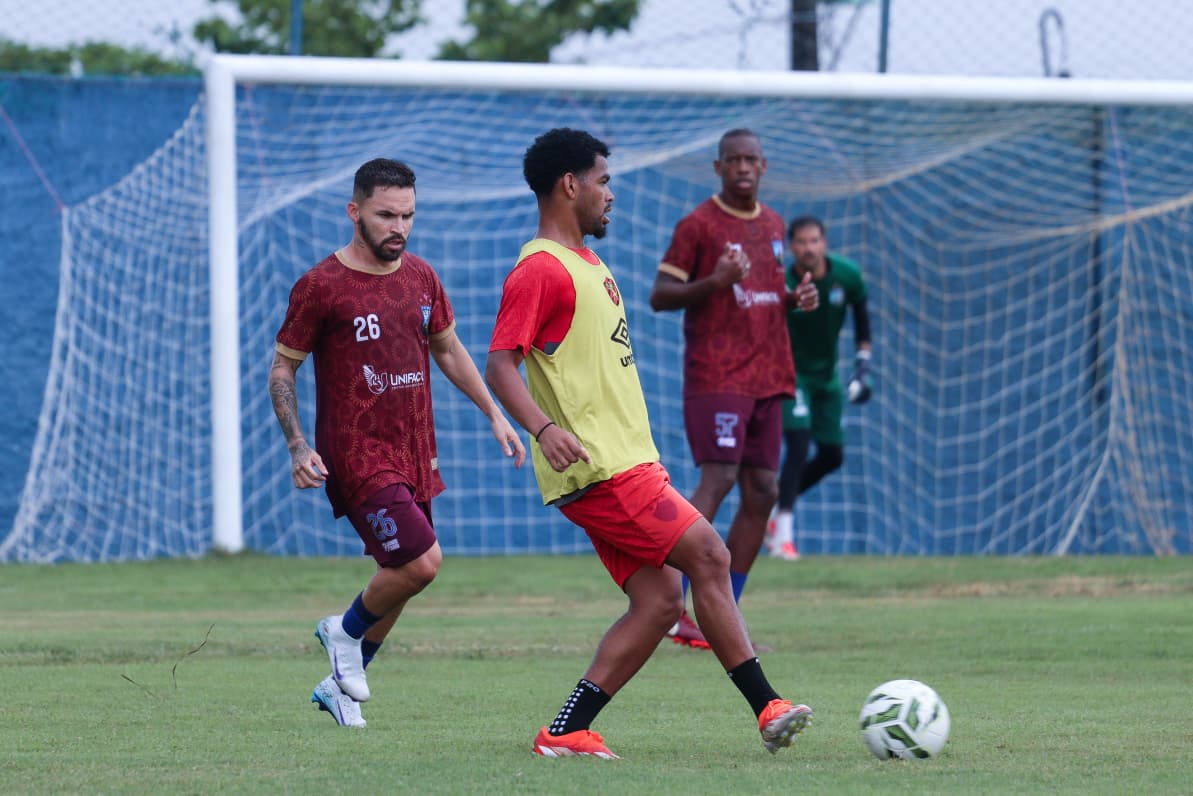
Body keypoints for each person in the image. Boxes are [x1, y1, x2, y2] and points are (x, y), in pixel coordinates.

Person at [485, 127, 813, 759]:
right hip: (604, 469)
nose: (612, 195)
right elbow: (502, 363)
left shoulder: (587, 263)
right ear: (570, 185)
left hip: (623, 462)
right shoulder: (540, 270)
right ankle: (768, 706)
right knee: (711, 557)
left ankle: (566, 732)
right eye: (604, 181)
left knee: (660, 600)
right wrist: (546, 429)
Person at [269, 158, 525, 728]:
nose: (399, 227)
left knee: (401, 577)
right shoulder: (320, 286)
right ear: (354, 211)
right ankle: (342, 631)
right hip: (356, 455)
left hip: (414, 448)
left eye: (408, 215)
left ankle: (340, 683)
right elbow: (282, 369)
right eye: (386, 214)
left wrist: (495, 414)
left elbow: (450, 351)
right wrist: (295, 445)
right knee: (422, 562)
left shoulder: (422, 277)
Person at [648, 129, 818, 648]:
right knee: (718, 477)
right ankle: (670, 604)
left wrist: (793, 298)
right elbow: (660, 295)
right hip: (718, 377)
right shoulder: (698, 225)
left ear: (764, 166)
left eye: (752, 159)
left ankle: (721, 614)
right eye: (734, 160)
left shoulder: (772, 223)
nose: (743, 167)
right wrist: (715, 281)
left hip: (769, 376)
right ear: (718, 167)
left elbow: (760, 293)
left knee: (764, 491)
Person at [765, 215, 872, 560]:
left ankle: (773, 508)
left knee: (832, 455)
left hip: (827, 377)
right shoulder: (782, 280)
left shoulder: (847, 276)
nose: (808, 248)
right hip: (790, 374)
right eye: (801, 242)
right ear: (791, 246)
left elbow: (862, 321)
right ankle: (783, 535)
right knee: (797, 444)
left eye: (814, 241)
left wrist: (863, 367)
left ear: (824, 243)